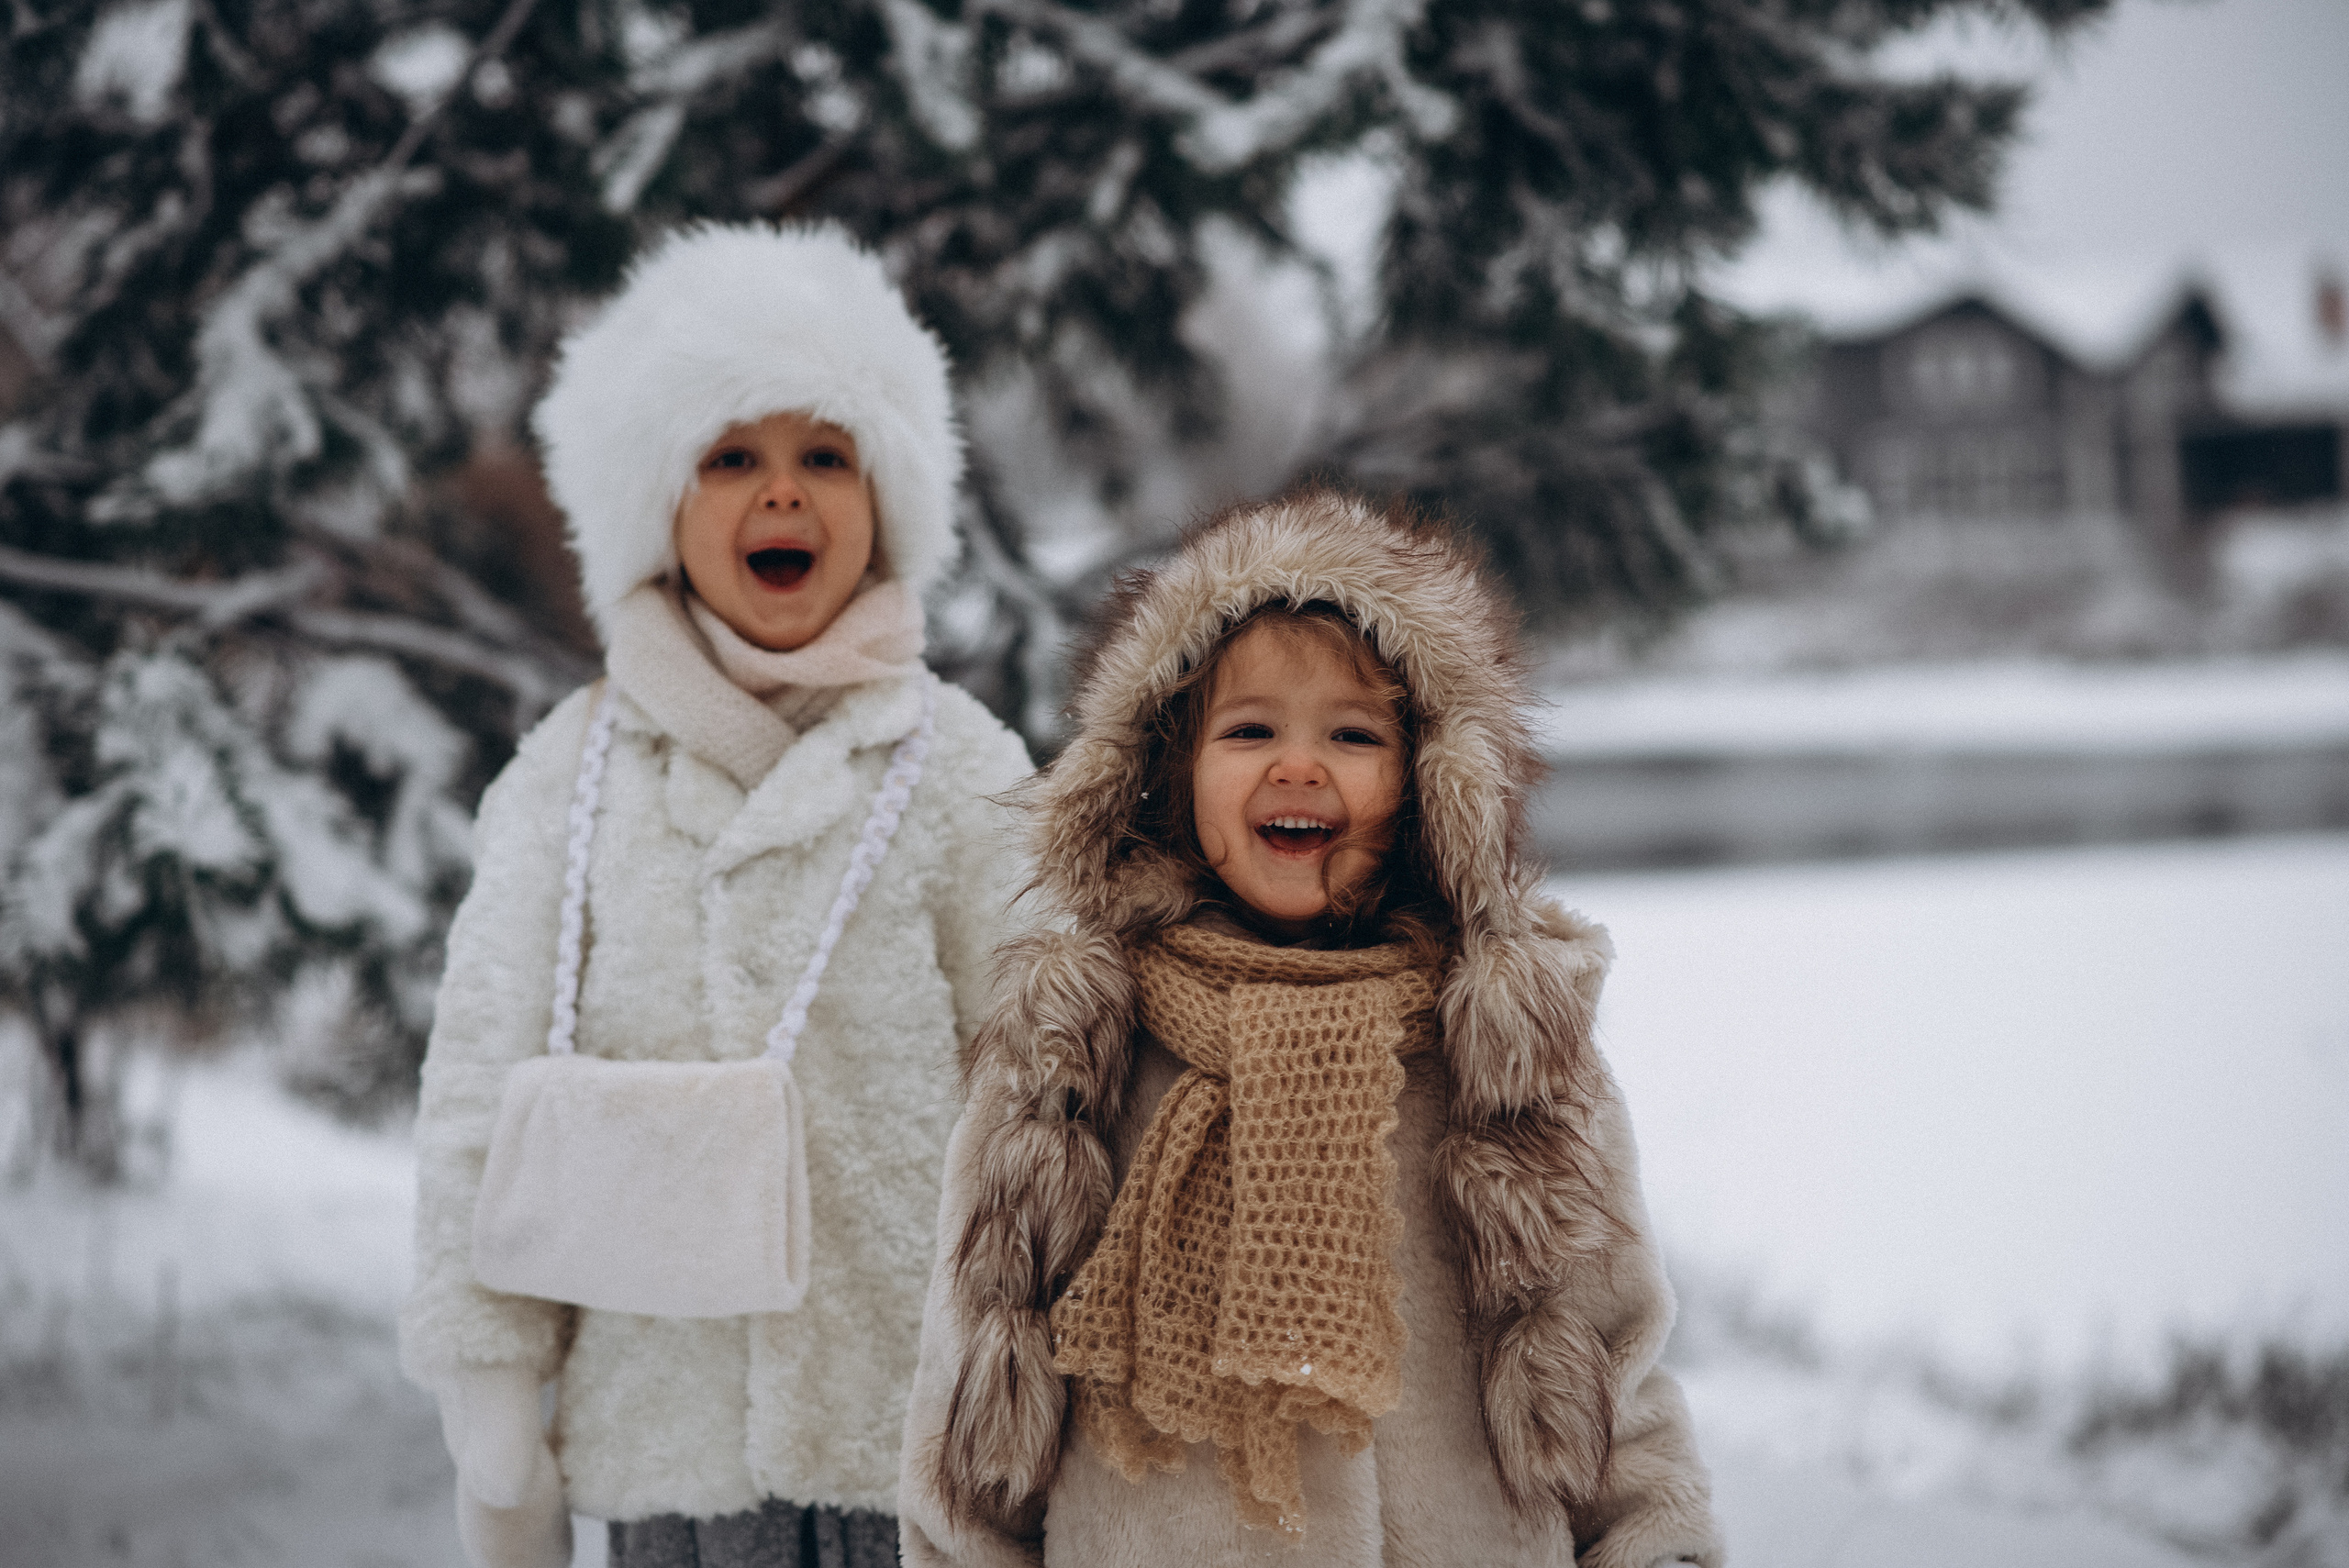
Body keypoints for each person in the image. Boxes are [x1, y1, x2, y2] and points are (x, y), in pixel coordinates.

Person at [896, 491, 1724, 1567]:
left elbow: (1615, 1370)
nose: (1299, 765)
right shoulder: (1074, 1055)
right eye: (1249, 731)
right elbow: (975, 1399)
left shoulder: (1502, 1053)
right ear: (1166, 771)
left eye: (1353, 734)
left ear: (1428, 781)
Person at [398, 222, 1033, 1568]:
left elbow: (1053, 1077)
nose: (782, 493)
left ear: (890, 501)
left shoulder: (958, 767)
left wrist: (1049, 1354)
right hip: (665, 1444)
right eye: (731, 457)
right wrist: (488, 1368)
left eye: (827, 457)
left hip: (908, 1443)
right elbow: (478, 1083)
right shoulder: (571, 774)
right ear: (656, 505)